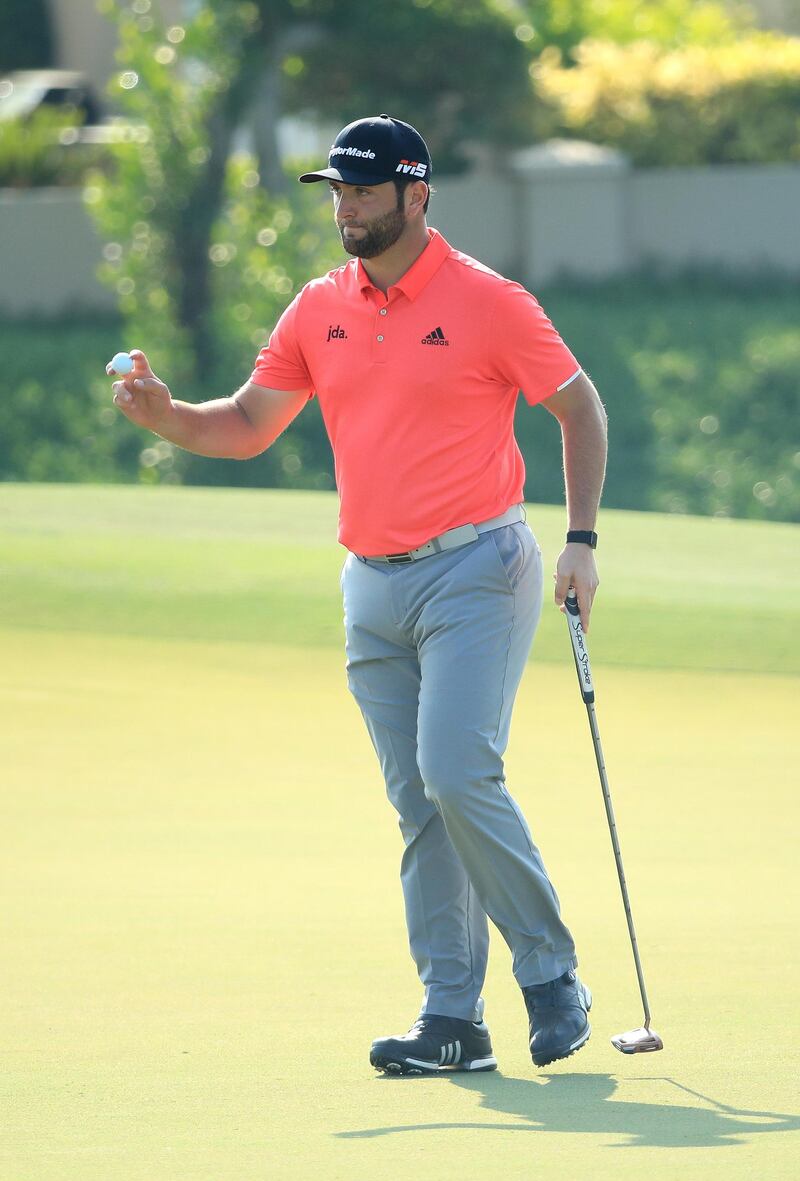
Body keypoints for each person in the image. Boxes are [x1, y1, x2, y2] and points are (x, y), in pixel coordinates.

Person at [110, 114, 608, 1075]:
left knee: (458, 771)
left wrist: (582, 541)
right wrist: (168, 416)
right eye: (336, 191)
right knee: (423, 802)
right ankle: (452, 1018)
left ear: (417, 195)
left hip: (477, 566)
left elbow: (577, 406)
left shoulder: (488, 302)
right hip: (370, 585)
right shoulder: (319, 307)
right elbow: (249, 423)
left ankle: (551, 974)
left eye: (364, 192)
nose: (345, 208)